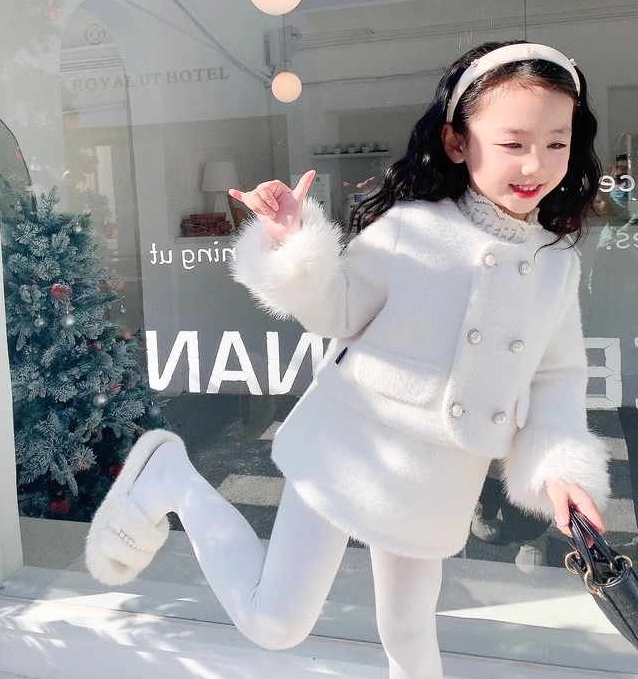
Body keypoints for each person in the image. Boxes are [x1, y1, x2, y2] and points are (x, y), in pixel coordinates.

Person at [84, 40, 611, 679]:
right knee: (276, 623)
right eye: (512, 142)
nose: (536, 163)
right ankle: (173, 477)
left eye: (556, 143)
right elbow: (336, 310)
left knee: (410, 633)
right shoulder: (414, 227)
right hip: (349, 444)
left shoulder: (556, 264)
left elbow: (556, 377)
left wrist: (560, 470)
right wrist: (295, 242)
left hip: (443, 476)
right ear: (456, 141)